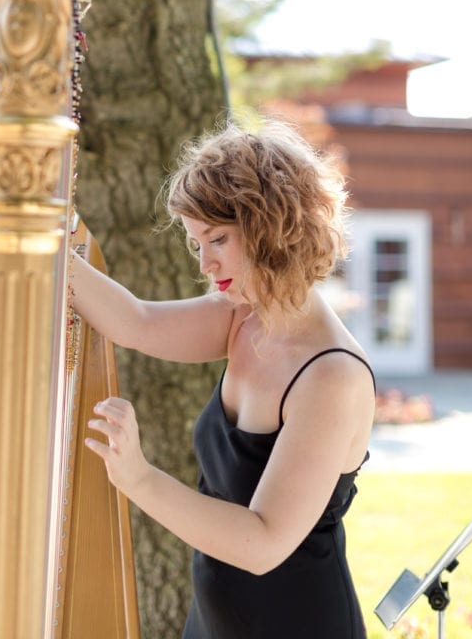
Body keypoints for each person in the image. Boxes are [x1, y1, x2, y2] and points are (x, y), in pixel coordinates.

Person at [70, 118, 376, 638]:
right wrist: (38, 245)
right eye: (196, 244)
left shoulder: (333, 377)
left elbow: (262, 542)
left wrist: (139, 478)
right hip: (215, 624)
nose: (206, 263)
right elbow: (135, 323)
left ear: (270, 225)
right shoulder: (243, 315)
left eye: (217, 239)